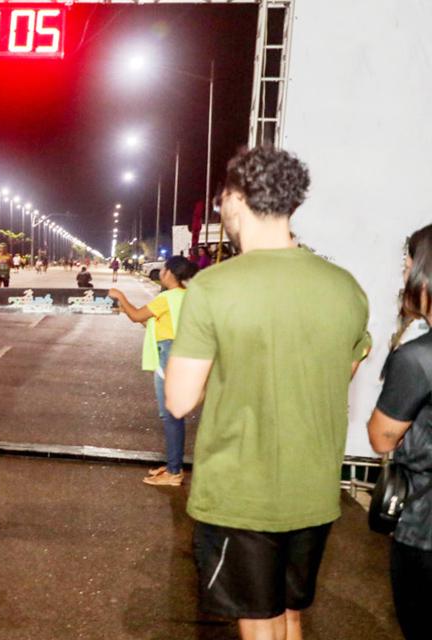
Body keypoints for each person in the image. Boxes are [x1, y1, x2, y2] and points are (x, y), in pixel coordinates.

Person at [164, 147, 371, 639]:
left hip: (242, 491)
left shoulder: (213, 288)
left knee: (258, 623)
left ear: (236, 198)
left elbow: (178, 400)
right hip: (314, 489)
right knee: (289, 614)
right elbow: (346, 366)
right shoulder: (345, 287)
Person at [367, 223, 432, 640]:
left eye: (409, 260)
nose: (405, 269)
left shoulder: (418, 358)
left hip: (425, 528)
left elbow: (381, 437)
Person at [109, 256, 198, 486]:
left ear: (169, 273)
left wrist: (121, 297)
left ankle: (174, 472)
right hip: (182, 354)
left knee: (169, 416)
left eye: (163, 269)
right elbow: (150, 323)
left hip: (169, 356)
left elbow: (138, 315)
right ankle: (172, 466)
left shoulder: (166, 298)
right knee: (173, 415)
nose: (161, 272)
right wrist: (126, 309)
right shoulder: (187, 296)